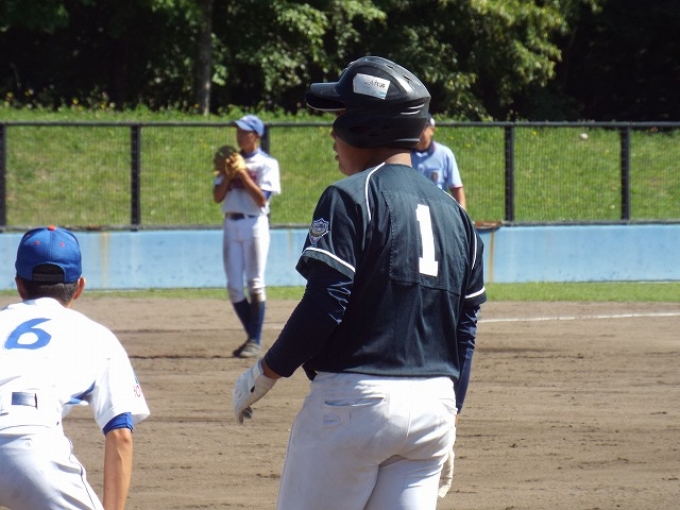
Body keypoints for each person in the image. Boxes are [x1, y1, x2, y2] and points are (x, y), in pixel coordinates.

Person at [232, 56, 486, 510]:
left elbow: (325, 303)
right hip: (434, 408)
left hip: (353, 405)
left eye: (342, 115)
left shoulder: (349, 196)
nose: (333, 132)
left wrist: (265, 373)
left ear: (367, 126)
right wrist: (453, 409)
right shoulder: (458, 218)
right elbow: (465, 328)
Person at [0, 225, 150, 510]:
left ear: (19, 284)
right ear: (79, 287)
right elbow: (120, 435)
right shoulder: (97, 337)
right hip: (29, 450)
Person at [213, 114, 281, 359]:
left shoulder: (267, 163)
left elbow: (262, 199)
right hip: (231, 223)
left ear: (256, 135)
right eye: (238, 131)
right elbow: (217, 197)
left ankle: (254, 340)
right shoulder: (231, 161)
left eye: (244, 131)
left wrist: (242, 174)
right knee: (234, 287)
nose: (239, 135)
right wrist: (229, 174)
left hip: (255, 224)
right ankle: (253, 337)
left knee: (255, 282)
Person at [411, 114, 467, 210]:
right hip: (412, 211)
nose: (420, 131)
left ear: (432, 130)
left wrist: (462, 216)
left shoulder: (444, 154)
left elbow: (456, 189)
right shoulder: (405, 155)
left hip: (438, 212)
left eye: (424, 127)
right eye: (417, 127)